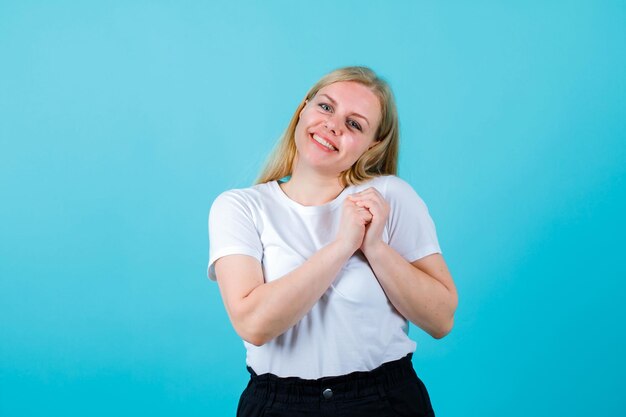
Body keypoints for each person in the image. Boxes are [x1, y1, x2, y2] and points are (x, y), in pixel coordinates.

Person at [207, 66, 458, 417]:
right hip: (279, 404)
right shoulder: (240, 207)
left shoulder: (389, 198)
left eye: (355, 124)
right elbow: (253, 324)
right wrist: (343, 246)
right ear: (303, 109)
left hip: (385, 401)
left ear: (373, 144)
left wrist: (375, 248)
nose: (333, 125)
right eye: (325, 107)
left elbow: (441, 319)